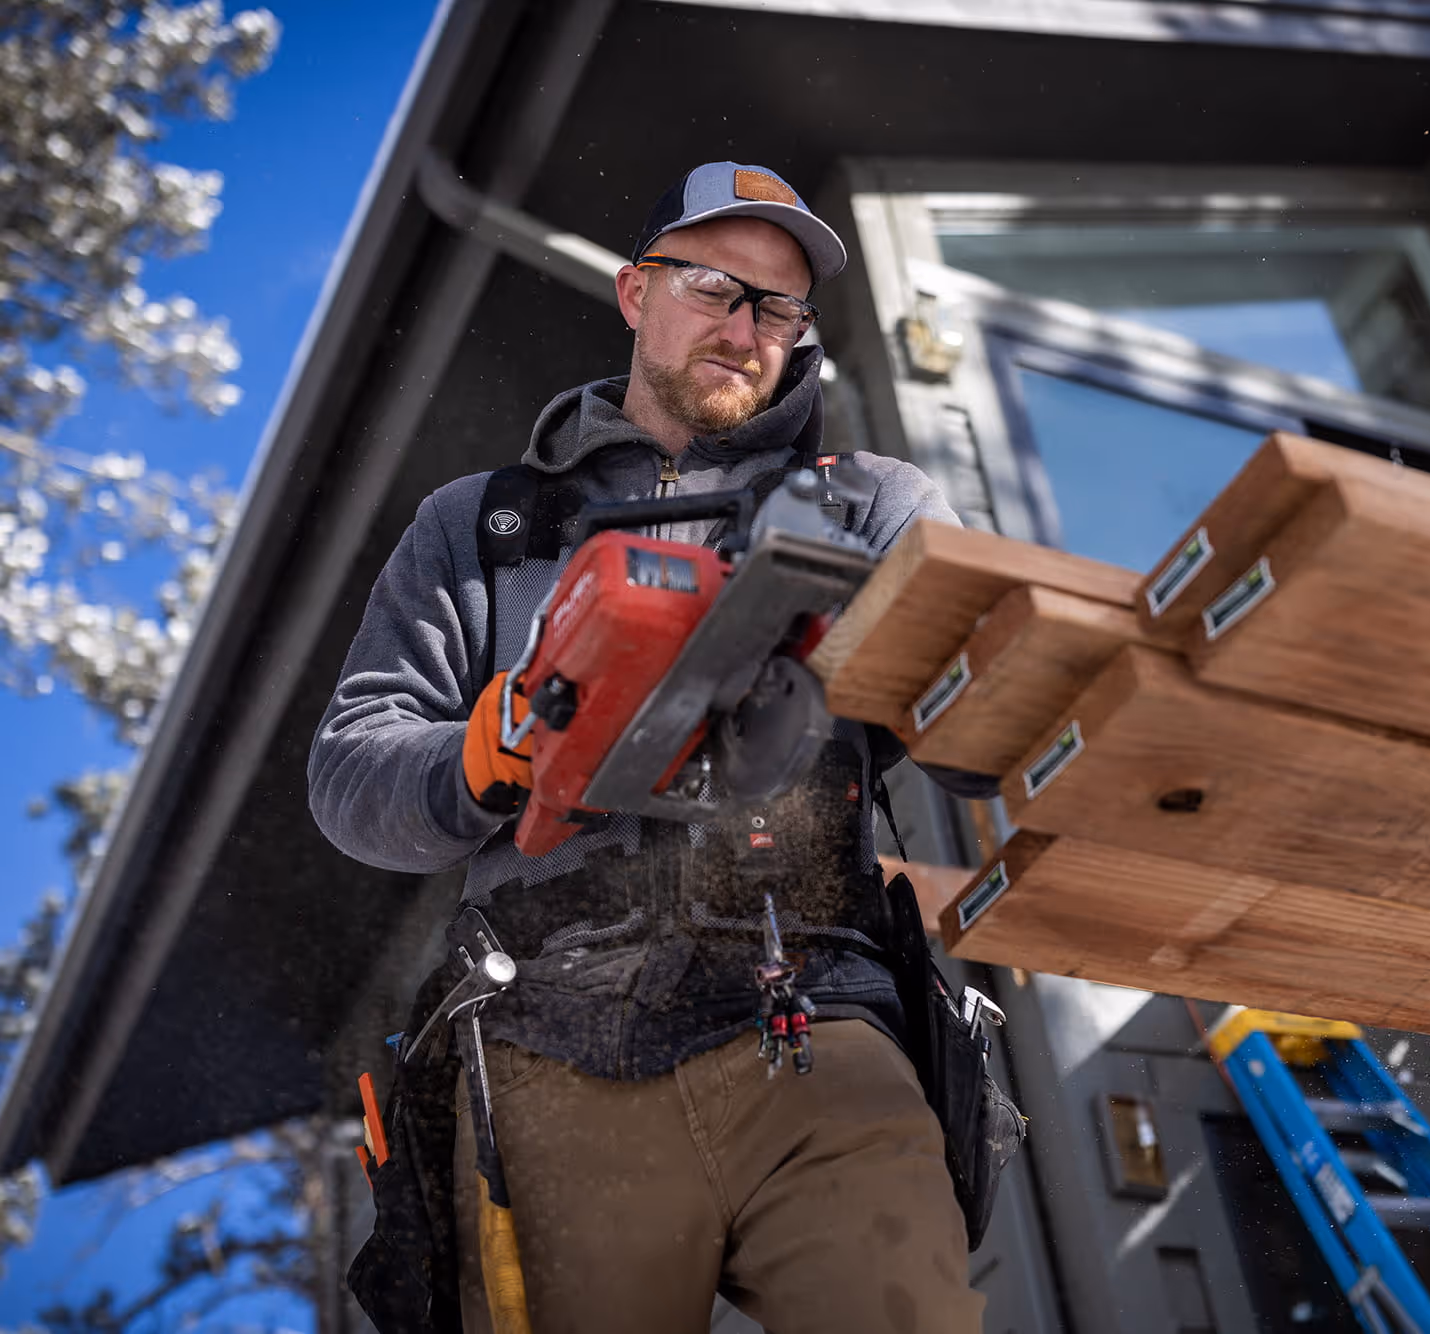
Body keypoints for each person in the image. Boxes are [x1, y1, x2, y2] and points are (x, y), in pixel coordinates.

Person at [307, 161, 991, 1334]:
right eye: (718, 288)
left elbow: (986, 729)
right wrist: (499, 741)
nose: (748, 329)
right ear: (635, 293)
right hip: (551, 1045)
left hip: (817, 1024)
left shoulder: (868, 500)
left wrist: (938, 655)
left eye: (779, 309)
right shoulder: (485, 523)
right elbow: (350, 774)